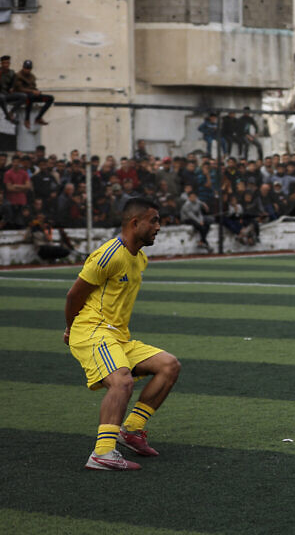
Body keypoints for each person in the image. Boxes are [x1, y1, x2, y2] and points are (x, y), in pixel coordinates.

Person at [64, 197, 181, 470]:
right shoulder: (109, 255)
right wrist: (70, 328)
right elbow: (74, 295)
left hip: (117, 336)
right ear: (134, 223)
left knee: (169, 365)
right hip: (93, 331)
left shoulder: (140, 257)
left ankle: (132, 430)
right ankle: (102, 453)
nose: (158, 227)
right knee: (122, 381)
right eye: (154, 220)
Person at [12, 60, 54, 127]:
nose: (27, 70)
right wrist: (32, 91)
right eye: (26, 68)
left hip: (33, 95)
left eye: (29, 68)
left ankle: (38, 118)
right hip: (23, 96)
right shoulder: (18, 75)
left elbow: (33, 87)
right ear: (23, 67)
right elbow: (19, 89)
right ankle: (27, 119)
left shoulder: (32, 76)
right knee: (30, 97)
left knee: (50, 98)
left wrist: (37, 92)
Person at [0, 54, 28, 124]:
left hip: (7, 94)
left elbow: (13, 84)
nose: (6, 65)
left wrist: (12, 88)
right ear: (1, 64)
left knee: (23, 96)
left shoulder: (12, 73)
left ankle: (11, 113)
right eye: (4, 63)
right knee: (2, 97)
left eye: (8, 63)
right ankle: (8, 117)